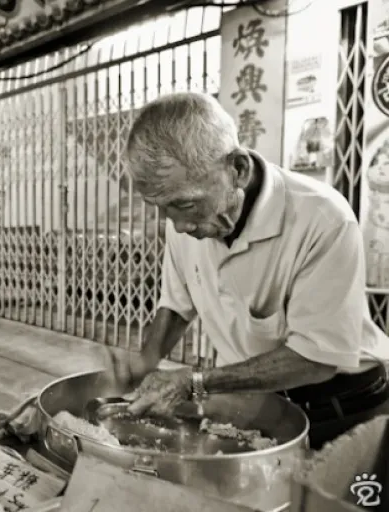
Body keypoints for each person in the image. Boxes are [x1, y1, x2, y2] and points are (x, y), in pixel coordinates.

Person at [115, 91, 389, 449]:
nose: (179, 225)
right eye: (162, 209)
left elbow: (317, 359)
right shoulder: (184, 220)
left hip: (343, 408)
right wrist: (146, 361)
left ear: (238, 170)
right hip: (253, 402)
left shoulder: (323, 219)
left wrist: (194, 381)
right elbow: (176, 304)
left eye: (185, 205)